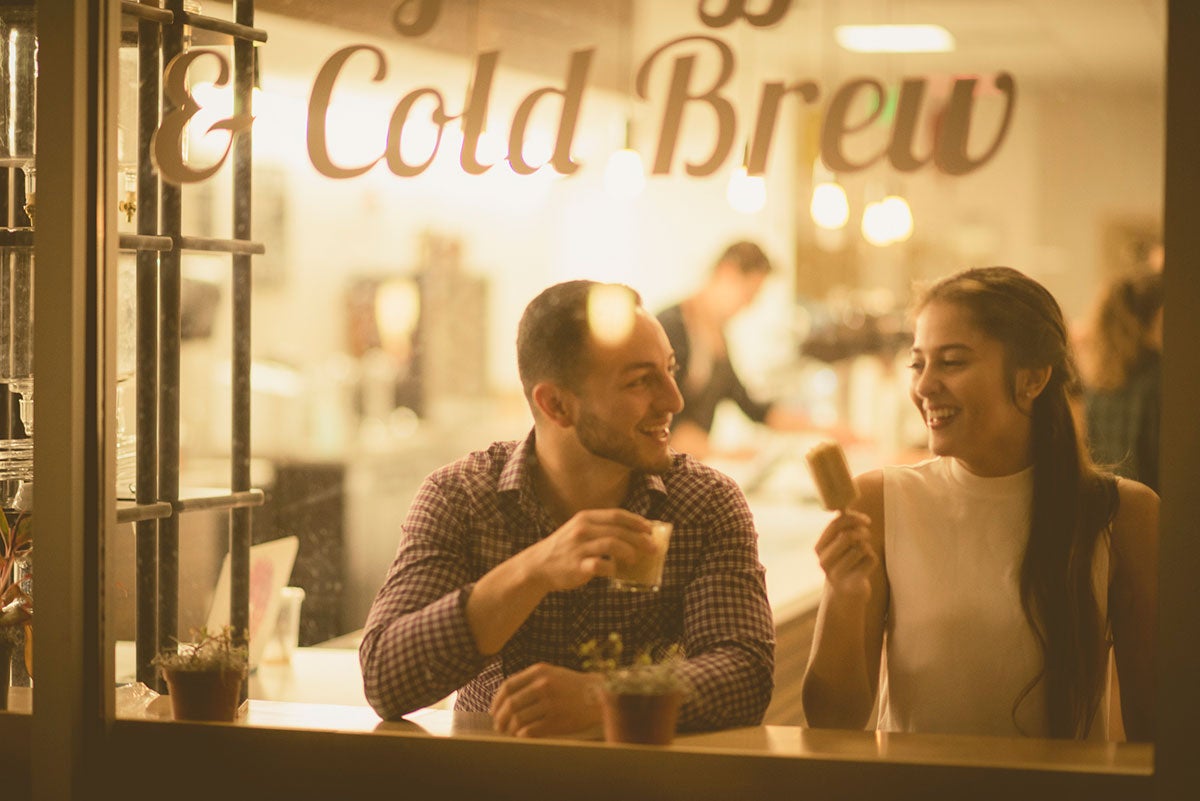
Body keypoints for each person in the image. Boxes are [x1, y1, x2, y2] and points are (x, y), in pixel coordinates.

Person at [359, 280, 775, 737]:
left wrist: (603, 697)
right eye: (640, 381)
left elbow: (745, 675)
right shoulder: (461, 497)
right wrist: (533, 570)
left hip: (645, 784)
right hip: (492, 779)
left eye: (670, 370)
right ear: (556, 404)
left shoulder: (703, 503)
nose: (673, 400)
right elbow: (385, 679)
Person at [801, 266, 1157, 742]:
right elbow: (830, 721)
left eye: (951, 362)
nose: (924, 386)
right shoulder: (879, 503)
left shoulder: (1124, 515)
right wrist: (845, 597)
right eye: (918, 363)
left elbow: (1156, 728)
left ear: (1031, 380)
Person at [657, 241, 829, 459]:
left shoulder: (718, 338)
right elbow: (660, 418)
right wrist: (724, 453)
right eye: (748, 294)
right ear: (726, 272)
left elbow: (753, 407)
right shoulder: (671, 328)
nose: (748, 305)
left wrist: (825, 429)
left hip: (685, 469)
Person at [1077, 272, 1163, 493]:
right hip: (1152, 515)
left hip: (1112, 513)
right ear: (1156, 317)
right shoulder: (1160, 380)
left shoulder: (1097, 386)